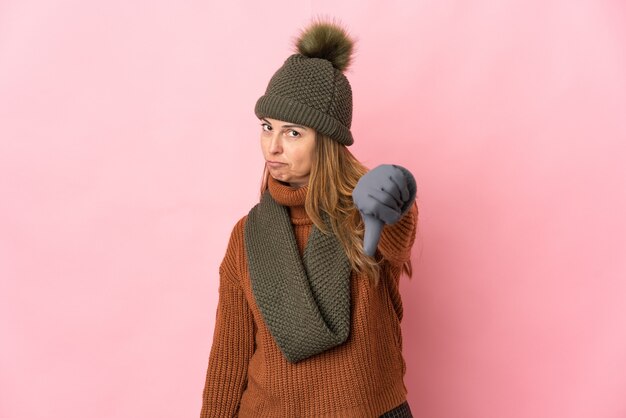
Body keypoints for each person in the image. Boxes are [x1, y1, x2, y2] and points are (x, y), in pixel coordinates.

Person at [200, 19, 418, 418]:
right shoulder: (247, 236)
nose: (274, 146)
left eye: (293, 132)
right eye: (267, 128)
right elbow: (228, 357)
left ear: (326, 139)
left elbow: (398, 230)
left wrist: (394, 189)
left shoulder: (364, 213)